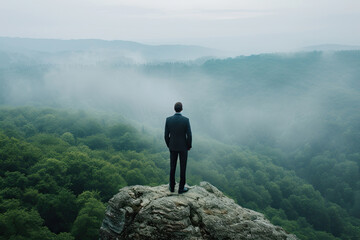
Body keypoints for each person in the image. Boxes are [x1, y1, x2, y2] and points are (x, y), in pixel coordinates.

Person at [164, 102, 192, 194]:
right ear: (182, 109)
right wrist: (188, 146)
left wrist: (169, 145)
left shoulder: (168, 120)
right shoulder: (186, 120)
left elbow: (166, 136)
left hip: (173, 147)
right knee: (183, 168)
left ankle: (172, 187)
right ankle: (181, 188)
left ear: (174, 108)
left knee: (172, 167)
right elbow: (189, 135)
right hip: (183, 147)